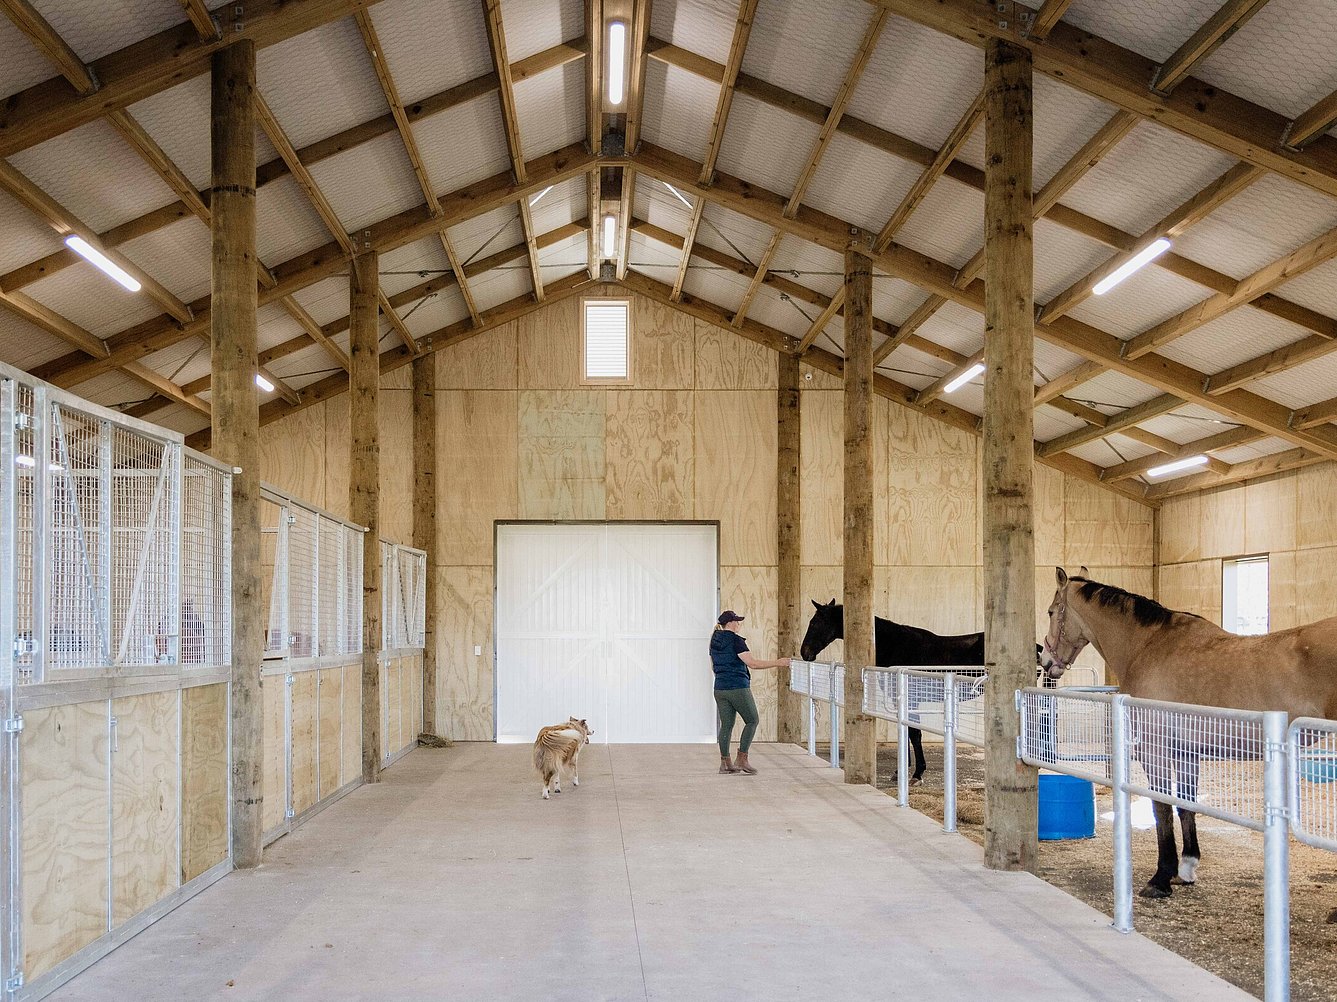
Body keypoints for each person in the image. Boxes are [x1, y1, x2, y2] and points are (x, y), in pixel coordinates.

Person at [709, 610, 791, 775]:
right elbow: (752, 663)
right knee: (752, 720)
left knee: (726, 725)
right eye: (737, 621)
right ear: (731, 623)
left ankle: (725, 763)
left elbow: (713, 666)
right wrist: (779, 662)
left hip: (719, 688)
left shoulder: (714, 640)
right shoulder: (736, 641)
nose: (739, 624)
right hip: (738, 687)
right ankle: (742, 759)